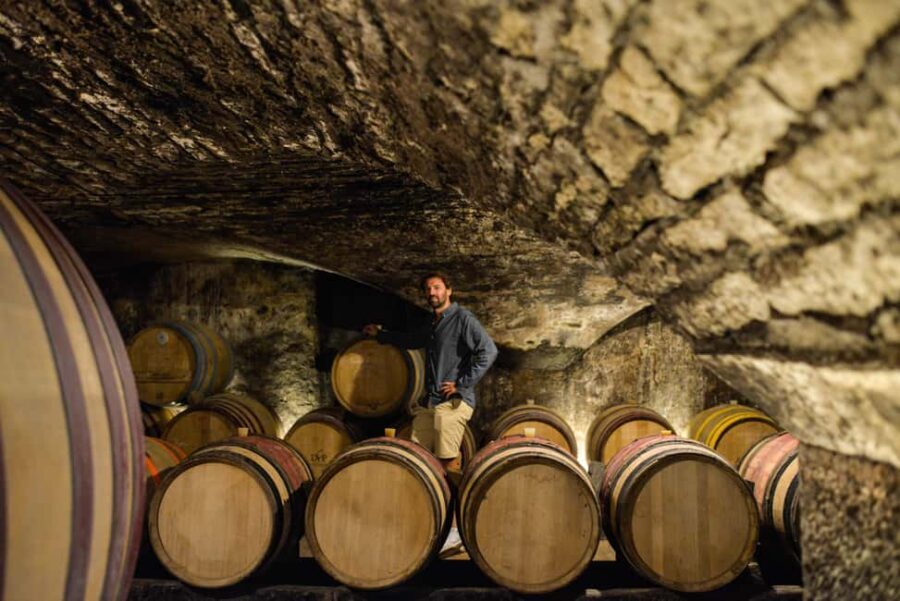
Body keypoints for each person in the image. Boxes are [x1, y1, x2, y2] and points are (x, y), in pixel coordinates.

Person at [363, 272, 497, 474]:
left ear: (448, 290)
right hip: (431, 402)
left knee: (447, 462)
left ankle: (448, 502)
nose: (431, 292)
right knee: (417, 456)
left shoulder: (463, 319)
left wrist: (461, 384)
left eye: (437, 287)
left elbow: (489, 350)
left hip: (453, 402)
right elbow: (413, 340)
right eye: (428, 289)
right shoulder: (432, 322)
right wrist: (381, 335)